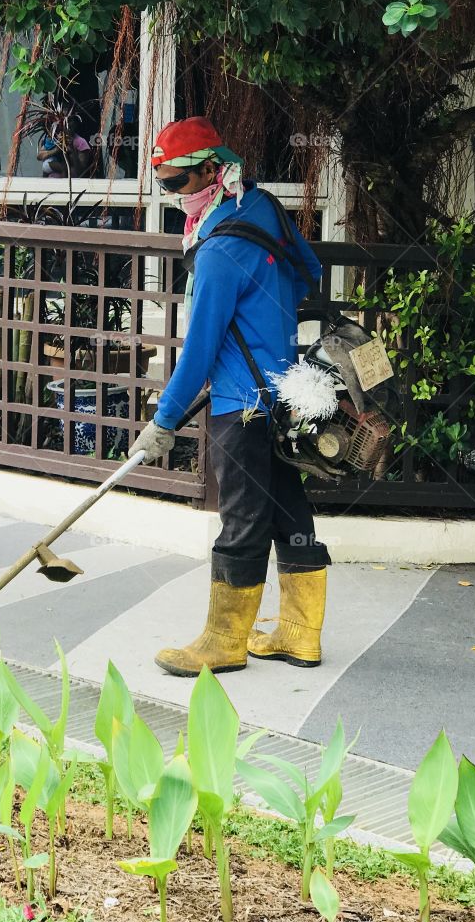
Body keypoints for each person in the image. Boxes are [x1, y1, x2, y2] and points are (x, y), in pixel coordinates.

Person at [129, 116, 331, 677]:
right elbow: (308, 271)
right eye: (163, 182)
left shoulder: (217, 252)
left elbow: (199, 350)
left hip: (239, 406)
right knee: (290, 507)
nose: (171, 194)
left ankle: (223, 641)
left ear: (214, 171)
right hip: (289, 394)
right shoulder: (262, 206)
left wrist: (163, 420)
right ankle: (299, 634)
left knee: (241, 519)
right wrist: (270, 326)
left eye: (178, 183)